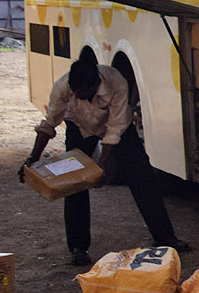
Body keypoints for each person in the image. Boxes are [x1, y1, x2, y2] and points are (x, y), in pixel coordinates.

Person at [20, 47, 189, 266]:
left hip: (117, 128)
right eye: (76, 94)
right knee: (74, 185)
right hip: (79, 128)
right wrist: (32, 158)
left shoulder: (116, 82)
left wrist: (101, 167)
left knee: (143, 177)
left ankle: (164, 236)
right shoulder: (62, 87)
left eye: (83, 94)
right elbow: (49, 123)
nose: (79, 97)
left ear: (95, 85)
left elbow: (115, 129)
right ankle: (78, 247)